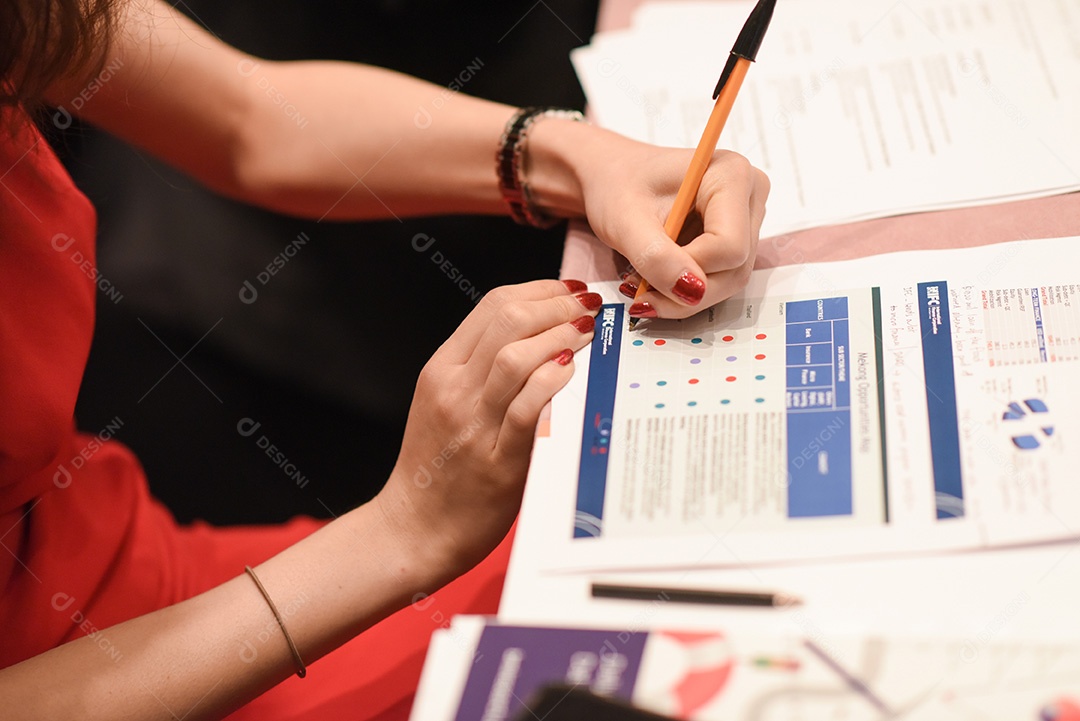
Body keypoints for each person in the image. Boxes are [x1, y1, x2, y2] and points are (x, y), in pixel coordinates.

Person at [0, 0, 769, 718]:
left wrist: (585, 160)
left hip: (147, 583)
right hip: (130, 678)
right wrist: (402, 532)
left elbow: (247, 117)